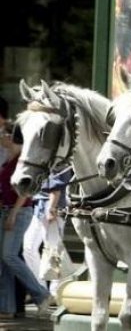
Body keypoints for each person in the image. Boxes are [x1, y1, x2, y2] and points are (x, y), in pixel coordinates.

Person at [0, 123, 52, 319]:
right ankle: (6, 306)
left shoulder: (20, 162)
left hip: (20, 212)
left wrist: (13, 213)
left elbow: (25, 191)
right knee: (4, 260)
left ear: (12, 138)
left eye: (3, 134)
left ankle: (41, 294)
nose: (1, 138)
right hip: (7, 211)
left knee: (9, 255)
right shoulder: (8, 160)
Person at [23, 167, 73, 299]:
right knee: (29, 247)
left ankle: (54, 292)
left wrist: (52, 207)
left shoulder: (59, 159)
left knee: (54, 252)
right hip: (40, 205)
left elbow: (56, 185)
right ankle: (42, 289)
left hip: (50, 205)